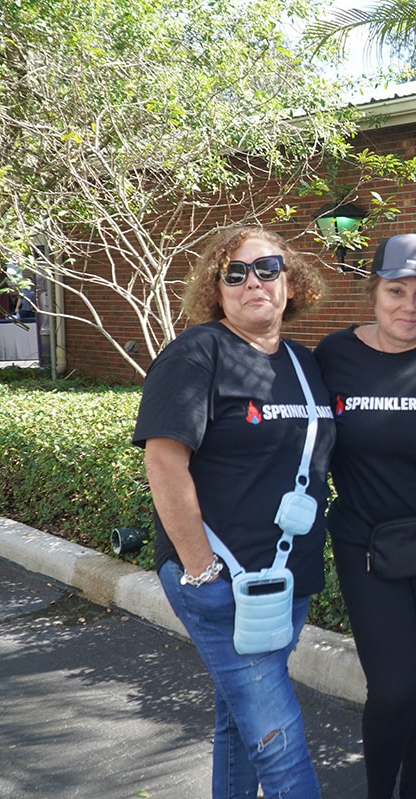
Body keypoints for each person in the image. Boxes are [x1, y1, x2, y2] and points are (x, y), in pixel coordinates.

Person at [133, 226, 335, 799]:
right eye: (236, 273)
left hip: (286, 580)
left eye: (268, 269)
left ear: (291, 282)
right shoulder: (197, 354)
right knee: (279, 742)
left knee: (240, 722)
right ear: (215, 288)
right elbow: (165, 463)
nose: (254, 283)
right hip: (221, 580)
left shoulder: (304, 364)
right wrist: (202, 571)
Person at [313, 234, 416, 799]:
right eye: (397, 291)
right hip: (366, 543)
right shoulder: (334, 356)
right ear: (373, 291)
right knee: (395, 689)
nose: (410, 306)